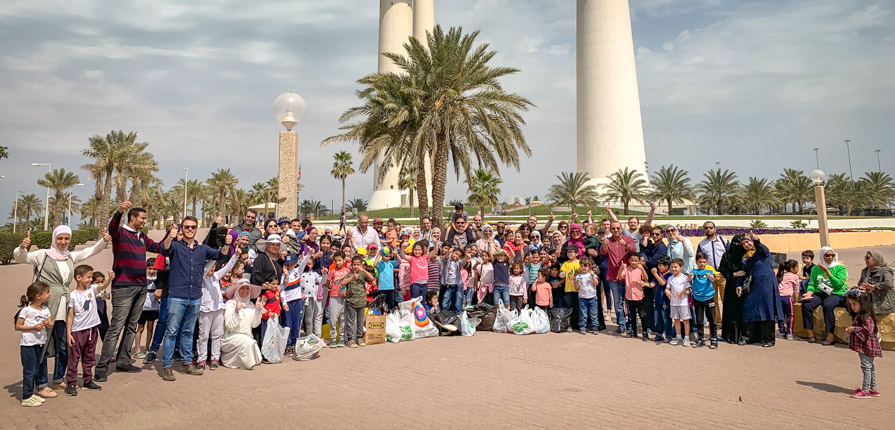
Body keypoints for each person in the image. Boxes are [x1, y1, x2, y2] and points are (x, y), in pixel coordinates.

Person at [14, 225, 110, 389]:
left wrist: (103, 241)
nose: (63, 242)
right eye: (60, 238)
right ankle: (42, 383)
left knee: (64, 345)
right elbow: (22, 258)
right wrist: (22, 247)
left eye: (66, 239)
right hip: (46, 305)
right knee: (42, 344)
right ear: (54, 238)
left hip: (64, 306)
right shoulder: (42, 255)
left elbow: (90, 251)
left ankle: (58, 378)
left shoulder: (70, 257)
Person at [159, 217, 231, 381]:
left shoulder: (202, 249)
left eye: (192, 227)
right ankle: (167, 366)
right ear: (182, 228)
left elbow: (221, 256)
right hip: (177, 295)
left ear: (197, 228)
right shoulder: (175, 246)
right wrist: (170, 235)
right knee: (171, 331)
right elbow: (164, 250)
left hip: (195, 296)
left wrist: (227, 244)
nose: (189, 229)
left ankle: (186, 363)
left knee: (188, 331)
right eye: (186, 227)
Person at [96, 200, 158, 382]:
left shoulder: (141, 236)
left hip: (141, 287)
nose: (145, 221)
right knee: (116, 327)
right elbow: (112, 226)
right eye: (142, 218)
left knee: (131, 326)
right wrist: (119, 211)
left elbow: (157, 248)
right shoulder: (120, 232)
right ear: (133, 217)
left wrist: (171, 236)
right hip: (123, 286)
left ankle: (123, 360)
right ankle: (102, 366)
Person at [64, 265, 112, 396]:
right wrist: (68, 333)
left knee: (89, 357)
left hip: (92, 329)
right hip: (78, 330)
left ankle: (87, 380)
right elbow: (70, 315)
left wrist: (110, 279)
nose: (91, 280)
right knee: (74, 357)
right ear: (78, 278)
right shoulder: (73, 295)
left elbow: (102, 287)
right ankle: (71, 382)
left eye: (91, 277)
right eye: (89, 277)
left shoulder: (92, 289)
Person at [736, 232, 783, 347]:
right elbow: (744, 272)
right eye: (743, 244)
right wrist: (738, 284)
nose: (746, 245)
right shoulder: (745, 258)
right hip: (753, 286)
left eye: (748, 242)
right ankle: (747, 337)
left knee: (767, 310)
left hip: (766, 286)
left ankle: (769, 339)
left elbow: (761, 247)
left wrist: (757, 241)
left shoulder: (762, 252)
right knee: (748, 309)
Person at [196, 249, 239, 371]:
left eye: (214, 268)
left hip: (218, 308)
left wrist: (236, 255)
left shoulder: (216, 276)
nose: (212, 270)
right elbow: (206, 268)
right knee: (203, 335)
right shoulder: (202, 276)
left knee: (217, 335)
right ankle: (202, 359)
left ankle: (215, 357)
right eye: (211, 268)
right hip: (205, 309)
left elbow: (228, 266)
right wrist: (216, 255)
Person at [17, 281, 54, 407]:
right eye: (47, 292)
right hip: (28, 345)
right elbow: (18, 326)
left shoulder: (45, 309)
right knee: (29, 371)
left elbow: (50, 323)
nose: (49, 295)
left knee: (37, 368)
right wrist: (33, 327)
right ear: (38, 296)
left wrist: (47, 324)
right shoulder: (26, 310)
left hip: (40, 343)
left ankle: (32, 394)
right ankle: (26, 396)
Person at [801, 246, 848, 345]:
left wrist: (827, 271)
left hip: (836, 293)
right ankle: (810, 334)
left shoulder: (840, 268)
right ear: (822, 256)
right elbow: (812, 283)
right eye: (827, 255)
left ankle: (830, 335)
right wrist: (809, 292)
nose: (830, 257)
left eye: (832, 255)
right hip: (820, 292)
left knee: (828, 305)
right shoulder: (815, 269)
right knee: (806, 304)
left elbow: (838, 284)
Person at [844, 289, 882, 399]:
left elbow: (868, 330)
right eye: (851, 304)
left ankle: (865, 390)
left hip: (867, 346)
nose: (852, 307)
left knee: (866, 367)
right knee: (870, 367)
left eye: (855, 304)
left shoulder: (866, 317)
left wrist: (853, 329)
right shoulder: (860, 315)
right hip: (865, 345)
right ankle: (873, 389)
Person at [601, 221, 636, 334]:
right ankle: (621, 325)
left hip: (627, 276)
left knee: (629, 301)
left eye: (618, 228)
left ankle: (630, 324)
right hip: (613, 276)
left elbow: (634, 250)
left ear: (621, 229)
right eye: (613, 228)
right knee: (618, 302)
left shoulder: (628, 239)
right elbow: (602, 251)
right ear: (610, 230)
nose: (616, 230)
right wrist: (604, 244)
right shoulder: (608, 241)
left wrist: (625, 244)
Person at [220, 280, 264, 370]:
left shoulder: (250, 305)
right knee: (248, 343)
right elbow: (229, 326)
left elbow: (254, 324)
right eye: (242, 288)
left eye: (247, 288)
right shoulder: (230, 304)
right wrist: (236, 311)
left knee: (257, 358)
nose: (245, 291)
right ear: (236, 290)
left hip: (247, 337)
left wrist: (257, 311)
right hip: (231, 337)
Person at [279, 253, 311, 354]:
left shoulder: (298, 271)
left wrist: (309, 253)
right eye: (287, 264)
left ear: (295, 263)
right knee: (287, 324)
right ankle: (288, 344)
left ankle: (295, 343)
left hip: (297, 301)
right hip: (288, 302)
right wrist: (284, 303)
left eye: (291, 264)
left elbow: (304, 262)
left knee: (297, 323)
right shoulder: (283, 275)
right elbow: (282, 291)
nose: (289, 266)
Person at [341, 255, 373, 348]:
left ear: (361, 265)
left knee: (360, 321)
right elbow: (342, 283)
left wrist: (364, 271)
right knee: (350, 321)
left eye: (358, 265)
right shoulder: (349, 274)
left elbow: (372, 279)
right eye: (354, 264)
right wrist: (352, 278)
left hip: (362, 301)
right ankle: (350, 339)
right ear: (351, 265)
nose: (356, 266)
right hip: (351, 301)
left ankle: (359, 337)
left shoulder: (363, 274)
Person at [720, 234, 747, 344]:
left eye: (740, 245)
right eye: (735, 244)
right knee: (731, 310)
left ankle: (744, 336)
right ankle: (730, 335)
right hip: (731, 286)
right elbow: (723, 269)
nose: (737, 247)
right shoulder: (727, 255)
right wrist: (734, 274)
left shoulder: (746, 256)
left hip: (745, 286)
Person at [133, 259, 160, 360]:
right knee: (140, 328)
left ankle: (147, 348)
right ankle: (137, 349)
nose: (152, 271)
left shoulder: (158, 278)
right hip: (143, 306)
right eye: (149, 268)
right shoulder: (142, 278)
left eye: (154, 269)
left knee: (150, 328)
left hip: (154, 306)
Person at [618, 252, 648, 340]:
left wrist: (642, 268)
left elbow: (646, 278)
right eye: (632, 261)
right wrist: (621, 268)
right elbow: (620, 277)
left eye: (636, 261)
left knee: (642, 314)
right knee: (632, 314)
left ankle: (645, 331)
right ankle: (633, 331)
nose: (634, 262)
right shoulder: (627, 269)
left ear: (638, 261)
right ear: (629, 261)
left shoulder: (639, 270)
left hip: (639, 296)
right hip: (630, 296)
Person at [691, 253, 718, 348]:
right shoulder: (694, 271)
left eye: (704, 262)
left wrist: (710, 277)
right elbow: (690, 279)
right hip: (698, 298)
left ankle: (714, 338)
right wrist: (690, 277)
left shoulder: (709, 271)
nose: (702, 264)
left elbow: (713, 279)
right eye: (700, 262)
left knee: (712, 319)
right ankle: (700, 338)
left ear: (706, 262)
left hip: (709, 297)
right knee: (699, 320)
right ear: (696, 262)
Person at [857, 250, 894, 315]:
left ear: (876, 259)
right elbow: (860, 283)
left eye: (868, 257)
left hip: (882, 302)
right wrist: (861, 287)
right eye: (865, 257)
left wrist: (875, 286)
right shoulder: (865, 271)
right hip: (868, 300)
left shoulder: (885, 271)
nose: (865, 259)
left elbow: (889, 283)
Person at [326, 251, 351, 348]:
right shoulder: (333, 271)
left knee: (343, 318)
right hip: (334, 296)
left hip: (344, 297)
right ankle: (333, 338)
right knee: (333, 318)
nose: (338, 263)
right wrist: (330, 288)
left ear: (344, 260)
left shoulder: (348, 271)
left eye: (340, 260)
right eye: (336, 261)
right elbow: (327, 283)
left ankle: (341, 338)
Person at [666, 259, 691, 346]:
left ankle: (687, 338)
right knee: (676, 320)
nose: (673, 269)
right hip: (673, 303)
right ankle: (678, 336)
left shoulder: (685, 278)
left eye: (676, 267)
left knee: (685, 320)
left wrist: (682, 292)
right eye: (672, 267)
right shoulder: (670, 278)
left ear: (681, 268)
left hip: (683, 303)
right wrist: (667, 291)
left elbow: (688, 291)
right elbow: (667, 288)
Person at [651, 257, 674, 342]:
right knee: (657, 318)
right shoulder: (659, 274)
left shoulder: (669, 275)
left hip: (665, 301)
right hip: (657, 300)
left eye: (660, 265)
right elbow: (652, 284)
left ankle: (668, 335)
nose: (658, 267)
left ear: (666, 267)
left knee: (666, 319)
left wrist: (655, 274)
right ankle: (659, 333)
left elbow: (663, 283)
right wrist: (643, 284)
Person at [574, 259, 600, 335]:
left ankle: (595, 327)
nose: (584, 268)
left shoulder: (592, 275)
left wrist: (592, 275)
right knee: (583, 314)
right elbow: (576, 287)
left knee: (594, 314)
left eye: (586, 266)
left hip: (592, 297)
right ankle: (582, 327)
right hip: (582, 298)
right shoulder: (579, 276)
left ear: (589, 267)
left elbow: (596, 283)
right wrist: (577, 282)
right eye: (582, 266)